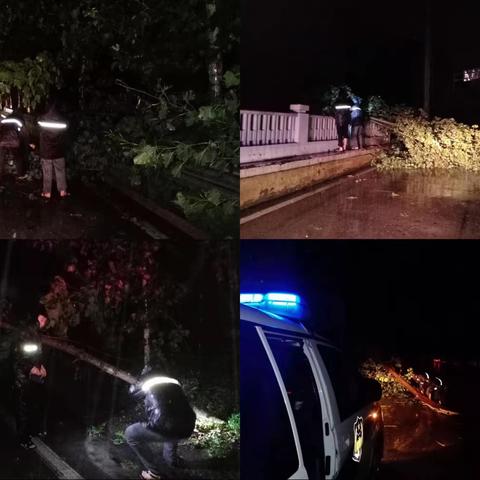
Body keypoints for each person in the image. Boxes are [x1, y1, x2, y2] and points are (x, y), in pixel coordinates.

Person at [125, 372, 196, 480]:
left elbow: (133, 394)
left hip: (166, 426)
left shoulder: (146, 387)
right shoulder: (173, 383)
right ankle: (172, 460)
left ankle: (154, 473)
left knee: (130, 433)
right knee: (174, 421)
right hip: (189, 425)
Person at [37, 99, 69, 199]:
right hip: (59, 151)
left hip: (46, 152)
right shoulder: (63, 120)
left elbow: (38, 132)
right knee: (60, 171)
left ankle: (47, 193)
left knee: (47, 172)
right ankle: (62, 191)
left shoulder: (41, 120)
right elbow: (66, 134)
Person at [0, 109, 29, 180]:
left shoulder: (4, 120)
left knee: (1, 158)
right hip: (14, 143)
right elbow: (24, 133)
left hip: (3, 142)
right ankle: (20, 174)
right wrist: (27, 143)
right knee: (18, 157)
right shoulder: (18, 121)